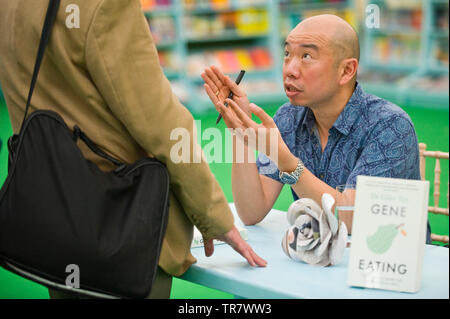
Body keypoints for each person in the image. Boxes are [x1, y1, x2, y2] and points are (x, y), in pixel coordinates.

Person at [0, 0, 266, 299]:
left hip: (52, 215)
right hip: (120, 221)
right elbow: (160, 123)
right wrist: (214, 215)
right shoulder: (107, 5)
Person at [201, 14, 432, 243]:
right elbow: (251, 211)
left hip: (384, 268)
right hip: (319, 261)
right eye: (287, 54)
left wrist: (287, 162)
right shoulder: (289, 117)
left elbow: (350, 220)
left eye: (307, 56)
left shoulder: (390, 126)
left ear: (346, 71)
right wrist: (238, 127)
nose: (290, 69)